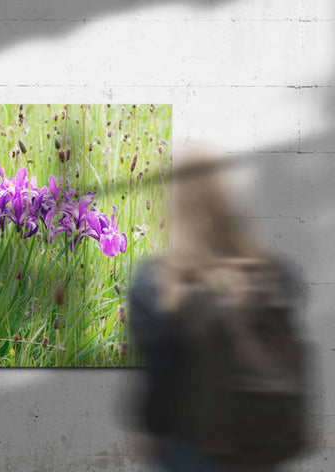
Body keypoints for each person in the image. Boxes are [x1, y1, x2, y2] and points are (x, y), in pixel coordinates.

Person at [128, 153, 308, 472]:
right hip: (264, 442)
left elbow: (159, 377)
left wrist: (151, 431)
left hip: (193, 447)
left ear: (174, 208)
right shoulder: (276, 273)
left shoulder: (158, 282)